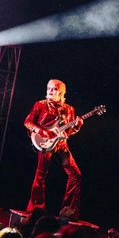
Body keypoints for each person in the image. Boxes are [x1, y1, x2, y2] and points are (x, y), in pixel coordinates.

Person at [24, 78, 83, 221]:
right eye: (49, 88)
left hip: (61, 145)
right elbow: (27, 122)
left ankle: (68, 210)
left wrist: (76, 126)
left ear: (61, 93)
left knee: (76, 174)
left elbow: (68, 132)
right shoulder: (40, 105)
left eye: (54, 89)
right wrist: (40, 131)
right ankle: (36, 209)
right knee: (41, 174)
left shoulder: (69, 109)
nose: (50, 91)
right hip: (45, 144)